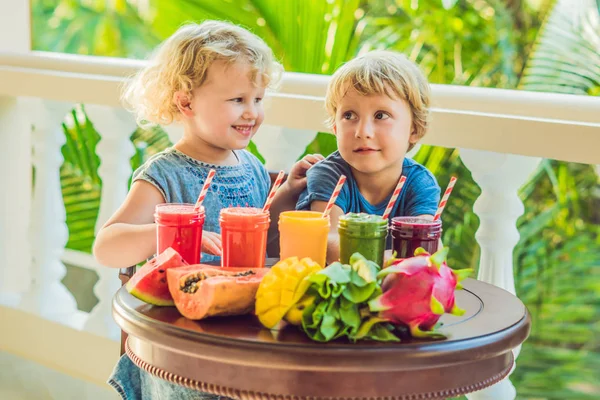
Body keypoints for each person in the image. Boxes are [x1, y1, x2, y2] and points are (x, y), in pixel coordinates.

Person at [93, 20, 321, 399]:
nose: (252, 113)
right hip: (184, 342)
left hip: (244, 330)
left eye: (258, 100)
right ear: (186, 102)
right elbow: (107, 246)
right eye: (237, 100)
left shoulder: (248, 162)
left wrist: (289, 191)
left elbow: (263, 222)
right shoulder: (164, 173)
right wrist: (170, 234)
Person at [296, 50, 441, 265]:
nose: (363, 131)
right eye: (349, 115)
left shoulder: (421, 184)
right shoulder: (329, 175)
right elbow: (327, 245)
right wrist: (394, 261)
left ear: (415, 128)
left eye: (381, 115)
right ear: (335, 127)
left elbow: (424, 250)